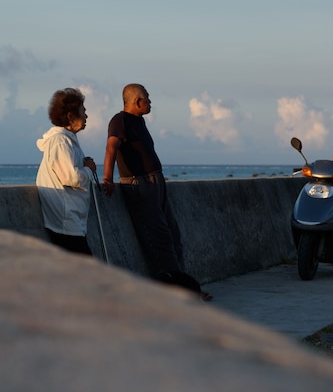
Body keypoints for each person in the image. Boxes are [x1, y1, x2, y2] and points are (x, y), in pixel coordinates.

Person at [102, 83, 213, 301]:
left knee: (173, 234)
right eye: (147, 99)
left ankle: (186, 285)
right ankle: (181, 291)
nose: (150, 102)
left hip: (156, 183)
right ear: (136, 101)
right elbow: (111, 148)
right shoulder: (120, 120)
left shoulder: (139, 121)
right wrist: (107, 178)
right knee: (160, 238)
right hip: (139, 186)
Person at [36, 88, 98, 256]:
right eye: (83, 112)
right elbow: (71, 177)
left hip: (71, 220)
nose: (86, 116)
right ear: (71, 116)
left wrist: (84, 165)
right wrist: (89, 169)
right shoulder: (60, 142)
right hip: (66, 221)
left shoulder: (67, 140)